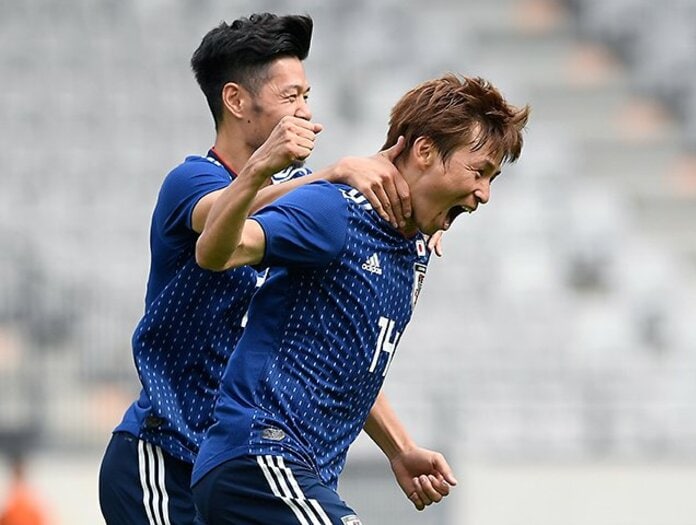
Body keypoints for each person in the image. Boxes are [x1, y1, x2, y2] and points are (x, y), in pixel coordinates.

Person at [98, 13, 449, 525]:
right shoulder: (190, 181)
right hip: (164, 458)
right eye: (292, 98)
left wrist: (422, 212)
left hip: (242, 464)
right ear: (237, 101)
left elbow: (337, 348)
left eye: (307, 95)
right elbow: (222, 219)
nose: (308, 113)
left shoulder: (308, 202)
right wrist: (329, 175)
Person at [191, 74, 530, 524]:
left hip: (300, 473)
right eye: (478, 171)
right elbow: (218, 252)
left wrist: (400, 449)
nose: (484, 194)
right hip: (258, 458)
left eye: (492, 178)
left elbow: (349, 362)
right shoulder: (336, 211)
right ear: (425, 151)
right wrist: (257, 171)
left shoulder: (413, 248)